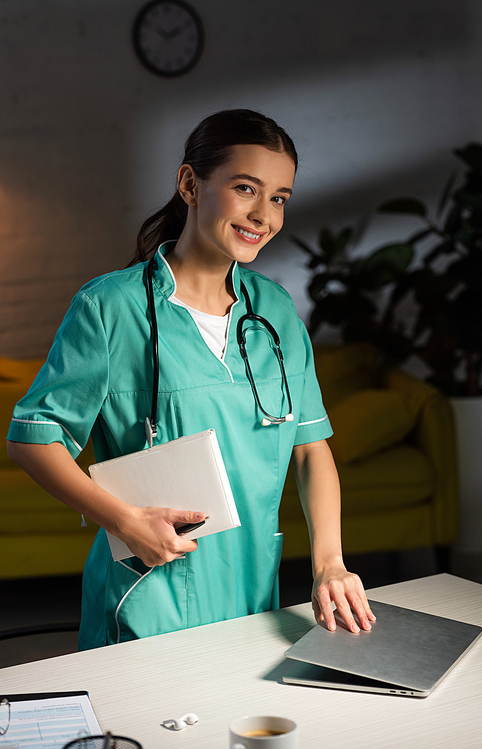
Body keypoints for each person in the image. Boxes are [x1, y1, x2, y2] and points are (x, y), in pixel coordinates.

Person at [7, 109, 375, 649]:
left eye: (278, 198)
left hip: (252, 591)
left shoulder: (274, 311)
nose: (263, 215)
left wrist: (330, 564)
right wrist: (126, 521)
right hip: (149, 590)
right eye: (245, 188)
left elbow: (310, 448)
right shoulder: (110, 308)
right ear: (190, 184)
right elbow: (32, 439)